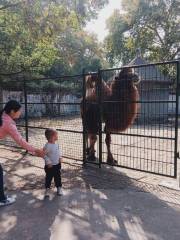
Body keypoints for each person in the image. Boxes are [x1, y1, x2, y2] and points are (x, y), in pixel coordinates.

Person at [0, 100, 45, 207]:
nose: (20, 113)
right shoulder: (9, 123)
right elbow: (20, 141)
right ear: (12, 111)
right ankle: (2, 199)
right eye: (19, 111)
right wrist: (35, 150)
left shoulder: (3, 115)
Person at [43, 128, 63, 197]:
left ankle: (59, 187)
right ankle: (47, 189)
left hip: (57, 164)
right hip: (50, 166)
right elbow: (44, 154)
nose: (57, 136)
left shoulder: (56, 144)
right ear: (52, 137)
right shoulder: (47, 145)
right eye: (56, 135)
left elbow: (59, 151)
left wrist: (60, 157)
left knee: (58, 177)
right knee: (49, 178)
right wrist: (48, 162)